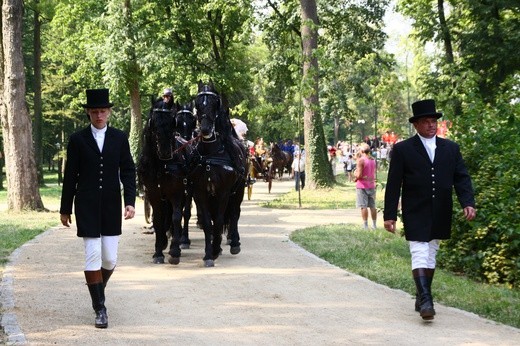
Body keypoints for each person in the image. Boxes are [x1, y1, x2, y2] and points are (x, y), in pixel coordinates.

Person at [383, 99, 476, 321]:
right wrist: (389, 215)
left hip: (441, 208)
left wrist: (468, 202)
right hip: (415, 209)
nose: (431, 125)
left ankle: (421, 296)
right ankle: (426, 299)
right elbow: (394, 183)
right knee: (419, 251)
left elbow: (461, 177)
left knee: (431, 252)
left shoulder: (451, 148)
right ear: (416, 125)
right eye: (426, 122)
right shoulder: (403, 149)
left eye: (433, 121)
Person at [60, 88, 136, 329]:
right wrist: (65, 208)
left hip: (112, 204)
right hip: (86, 205)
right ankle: (100, 309)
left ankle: (98, 290)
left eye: (103, 111)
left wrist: (130, 201)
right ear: (88, 114)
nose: (99, 115)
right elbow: (70, 176)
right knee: (92, 254)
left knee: (110, 258)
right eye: (94, 112)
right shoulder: (77, 140)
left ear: (109, 112)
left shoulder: (119, 138)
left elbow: (128, 170)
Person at [354, 143, 377, 230]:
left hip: (362, 185)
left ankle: (365, 226)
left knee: (363, 206)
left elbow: (359, 175)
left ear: (362, 151)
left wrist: (355, 175)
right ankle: (374, 225)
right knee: (372, 206)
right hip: (371, 184)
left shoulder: (361, 160)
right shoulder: (373, 160)